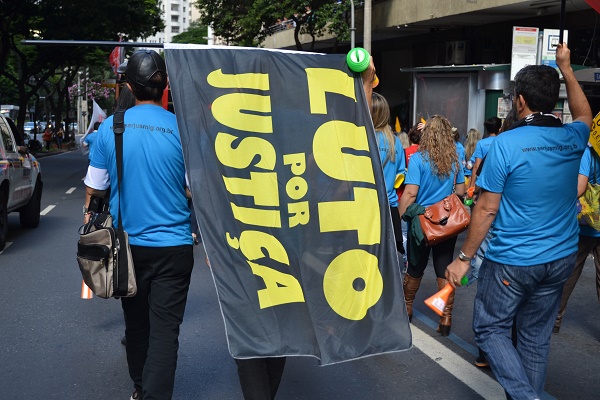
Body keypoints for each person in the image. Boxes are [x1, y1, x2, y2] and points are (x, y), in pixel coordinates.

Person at [446, 43, 592, 399]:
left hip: (514, 259)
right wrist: (567, 68)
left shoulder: (505, 144)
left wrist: (463, 258)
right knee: (535, 339)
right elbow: (585, 113)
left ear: (520, 101)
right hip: (560, 257)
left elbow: (486, 209)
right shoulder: (573, 138)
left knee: (489, 329)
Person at [83, 49, 194, 400]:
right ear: (165, 87)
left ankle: (139, 389)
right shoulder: (184, 130)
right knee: (165, 332)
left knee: (137, 325)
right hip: (175, 248)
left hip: (126, 248)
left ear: (129, 86)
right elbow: (193, 188)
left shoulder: (110, 129)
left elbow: (95, 188)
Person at [399, 114, 465, 336]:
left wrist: (400, 216)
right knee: (443, 267)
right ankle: (445, 317)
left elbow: (410, 193)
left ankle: (407, 308)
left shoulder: (418, 159)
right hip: (446, 224)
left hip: (422, 223)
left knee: (415, 266)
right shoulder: (454, 160)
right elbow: (461, 191)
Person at [553, 145, 600, 333]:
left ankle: (555, 319)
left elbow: (580, 187)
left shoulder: (588, 153)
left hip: (586, 225)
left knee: (571, 272)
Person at [372, 92, 406, 257]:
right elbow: (400, 175)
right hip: (390, 206)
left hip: (367, 205)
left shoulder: (364, 137)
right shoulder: (395, 141)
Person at [468, 116, 501, 189]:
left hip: (482, 181)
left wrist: (472, 185)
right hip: (497, 180)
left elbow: (476, 166)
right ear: (499, 129)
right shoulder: (502, 142)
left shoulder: (481, 143)